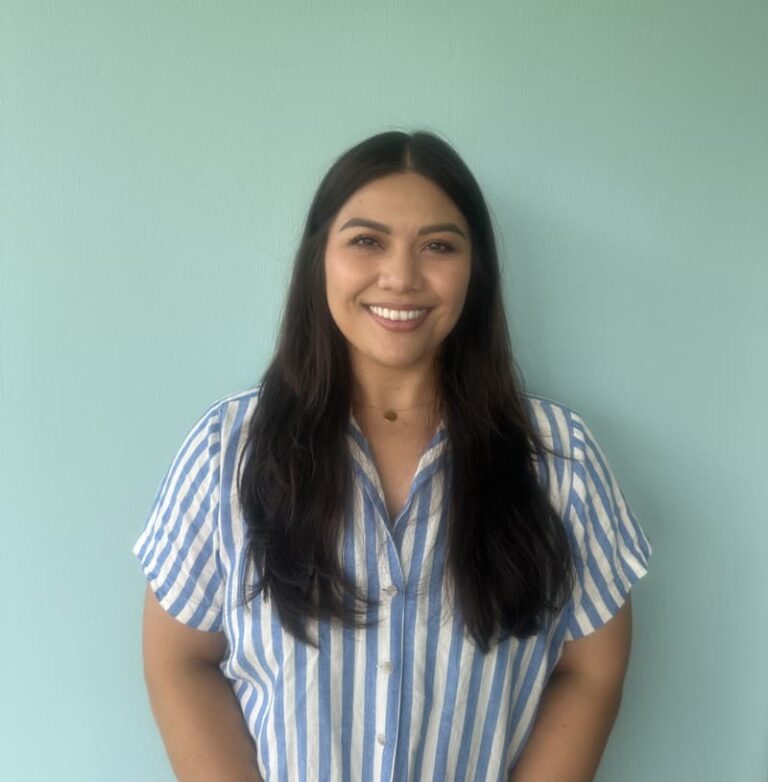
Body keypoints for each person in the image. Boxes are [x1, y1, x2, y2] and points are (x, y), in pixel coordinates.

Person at [133, 130, 652, 782]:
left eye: (438, 246)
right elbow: (179, 658)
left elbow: (592, 668)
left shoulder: (559, 460)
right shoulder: (227, 451)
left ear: (477, 268)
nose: (401, 276)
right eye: (366, 241)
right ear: (320, 257)